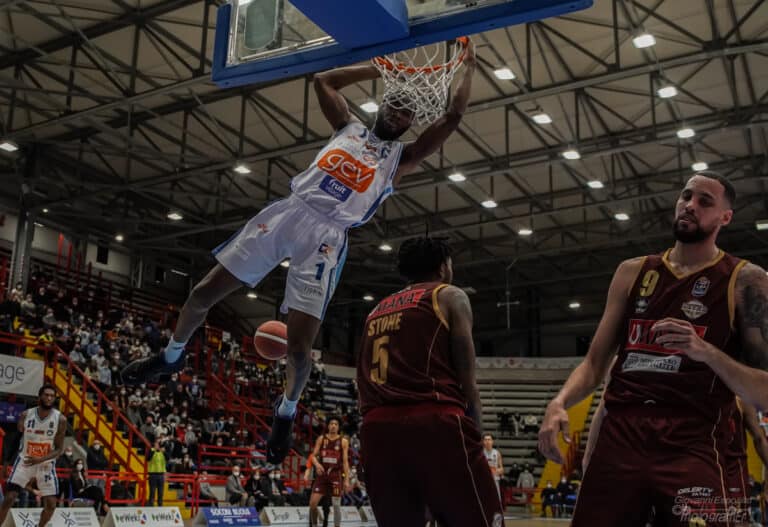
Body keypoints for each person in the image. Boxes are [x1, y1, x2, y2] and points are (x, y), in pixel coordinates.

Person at [121, 40, 477, 465]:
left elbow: (453, 115)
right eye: (394, 105)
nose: (399, 114)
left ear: (408, 124)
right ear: (382, 106)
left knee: (299, 351)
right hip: (289, 212)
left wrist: (467, 66)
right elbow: (323, 80)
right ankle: (170, 357)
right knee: (202, 294)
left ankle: (286, 413)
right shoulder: (347, 128)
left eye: (406, 113)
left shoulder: (402, 157)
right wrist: (380, 68)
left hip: (327, 238)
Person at [538, 172, 768, 527]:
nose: (690, 205)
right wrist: (558, 402)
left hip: (695, 438)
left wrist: (707, 352)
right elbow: (596, 363)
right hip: (622, 438)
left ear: (725, 217)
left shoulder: (747, 281)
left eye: (705, 201)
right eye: (686, 196)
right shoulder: (632, 273)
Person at [356, 237, 504, 526]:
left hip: (377, 431)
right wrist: (475, 439)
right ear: (442, 268)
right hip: (434, 422)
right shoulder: (449, 295)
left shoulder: (375, 311)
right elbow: (467, 378)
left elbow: (362, 379)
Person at [0, 384, 67, 527]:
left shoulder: (60, 420)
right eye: (46, 395)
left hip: (45, 463)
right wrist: (6, 463)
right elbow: (15, 441)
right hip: (25, 461)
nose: (49, 398)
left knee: (51, 504)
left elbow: (59, 449)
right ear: (39, 397)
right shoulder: (26, 415)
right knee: (9, 498)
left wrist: (41, 459)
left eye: (52, 396)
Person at [309, 416, 350, 527]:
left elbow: (345, 462)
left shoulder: (344, 441)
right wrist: (317, 464)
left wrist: (346, 480)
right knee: (312, 504)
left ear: (339, 427)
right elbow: (313, 456)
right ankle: (314, 525)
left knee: (336, 505)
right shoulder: (321, 439)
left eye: (336, 424)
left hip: (335, 475)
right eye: (331, 423)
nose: (333, 426)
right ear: (328, 425)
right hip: (322, 475)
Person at [482, 433, 504, 501]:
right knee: (484, 500)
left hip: (494, 479)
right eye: (485, 440)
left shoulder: (497, 453)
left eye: (489, 439)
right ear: (483, 442)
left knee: (496, 500)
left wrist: (498, 471)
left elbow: (502, 469)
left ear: (492, 441)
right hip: (483, 480)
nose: (487, 441)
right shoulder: (480, 453)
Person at [147, 438, 167, 506]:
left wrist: (165, 452)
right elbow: (148, 458)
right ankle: (151, 506)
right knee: (152, 492)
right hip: (153, 475)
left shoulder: (162, 452)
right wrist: (154, 450)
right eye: (157, 443)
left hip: (161, 475)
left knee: (161, 493)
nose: (159, 445)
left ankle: (160, 505)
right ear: (154, 444)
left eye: (159, 443)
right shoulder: (151, 450)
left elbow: (168, 458)